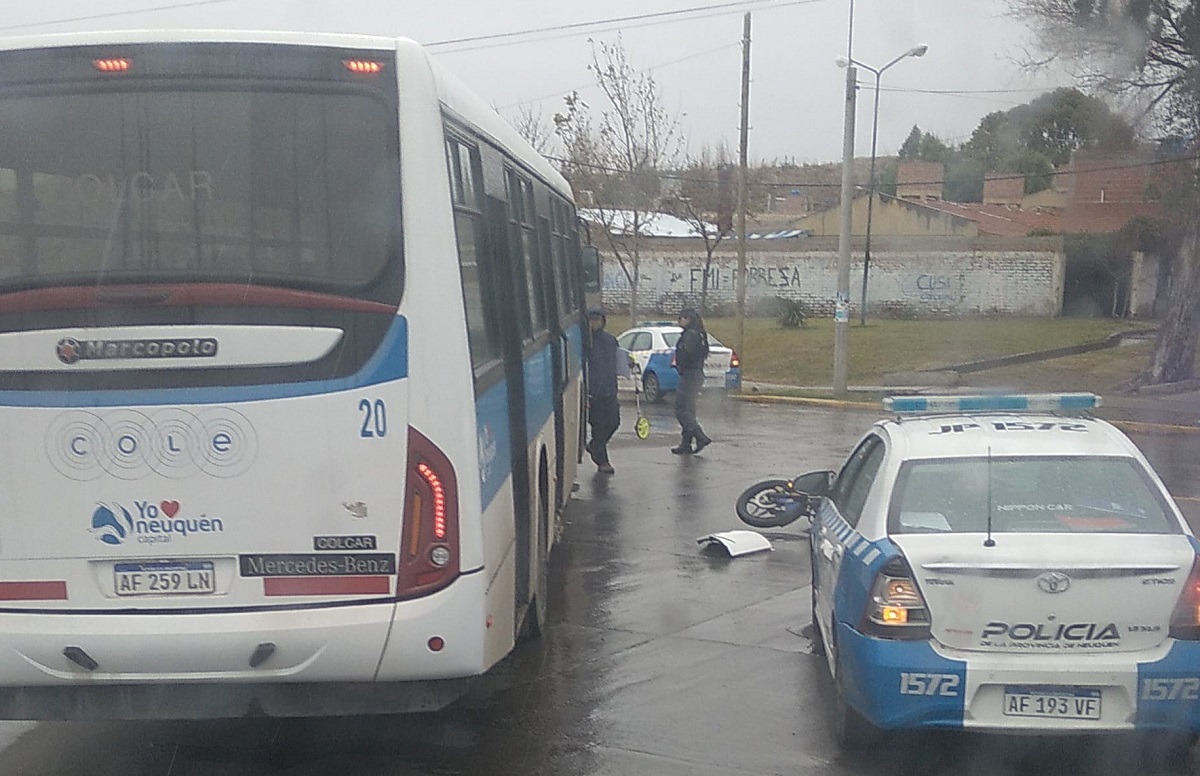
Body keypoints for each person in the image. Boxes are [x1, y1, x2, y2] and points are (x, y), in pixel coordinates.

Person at [671, 308, 714, 455]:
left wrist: (679, 362)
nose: (680, 320)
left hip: (689, 374)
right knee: (689, 410)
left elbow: (687, 352)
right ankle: (686, 443)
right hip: (696, 373)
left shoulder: (690, 335)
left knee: (681, 409)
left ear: (689, 319)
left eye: (682, 317)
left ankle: (700, 436)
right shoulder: (701, 333)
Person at [586, 308, 621, 474]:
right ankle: (602, 460)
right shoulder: (585, 341)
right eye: (591, 320)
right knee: (598, 426)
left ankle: (594, 446)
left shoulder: (610, 340)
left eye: (597, 320)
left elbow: (617, 360)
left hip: (610, 389)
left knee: (614, 422)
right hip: (593, 392)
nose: (594, 323)